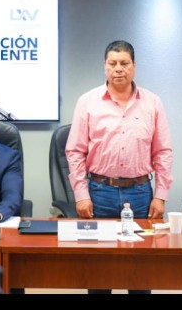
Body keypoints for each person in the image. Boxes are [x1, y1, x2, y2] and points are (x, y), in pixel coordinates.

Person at [65, 40, 174, 294]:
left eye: (124, 63)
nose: (118, 69)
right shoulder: (87, 101)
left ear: (134, 66)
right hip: (99, 191)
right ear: (105, 66)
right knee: (99, 270)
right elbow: (75, 151)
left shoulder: (152, 102)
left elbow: (163, 152)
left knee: (140, 269)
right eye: (112, 63)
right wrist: (81, 194)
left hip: (140, 193)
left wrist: (161, 195)